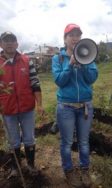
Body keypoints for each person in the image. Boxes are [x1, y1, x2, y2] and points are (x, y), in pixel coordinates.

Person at [52, 24, 98, 187]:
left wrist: (84, 64)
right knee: (66, 142)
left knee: (84, 142)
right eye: (71, 35)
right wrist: (70, 65)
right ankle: (69, 171)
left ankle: (85, 169)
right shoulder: (58, 58)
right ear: (65, 39)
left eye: (78, 35)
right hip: (66, 106)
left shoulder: (87, 54)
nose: (75, 38)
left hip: (85, 105)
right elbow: (59, 81)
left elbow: (92, 78)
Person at [0, 31, 44, 177]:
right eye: (6, 41)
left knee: (29, 138)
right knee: (13, 140)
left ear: (17, 44)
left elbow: (35, 83)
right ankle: (15, 168)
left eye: (12, 40)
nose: (9, 43)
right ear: (1, 44)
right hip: (7, 110)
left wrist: (40, 104)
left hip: (27, 108)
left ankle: (31, 166)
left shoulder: (26, 60)